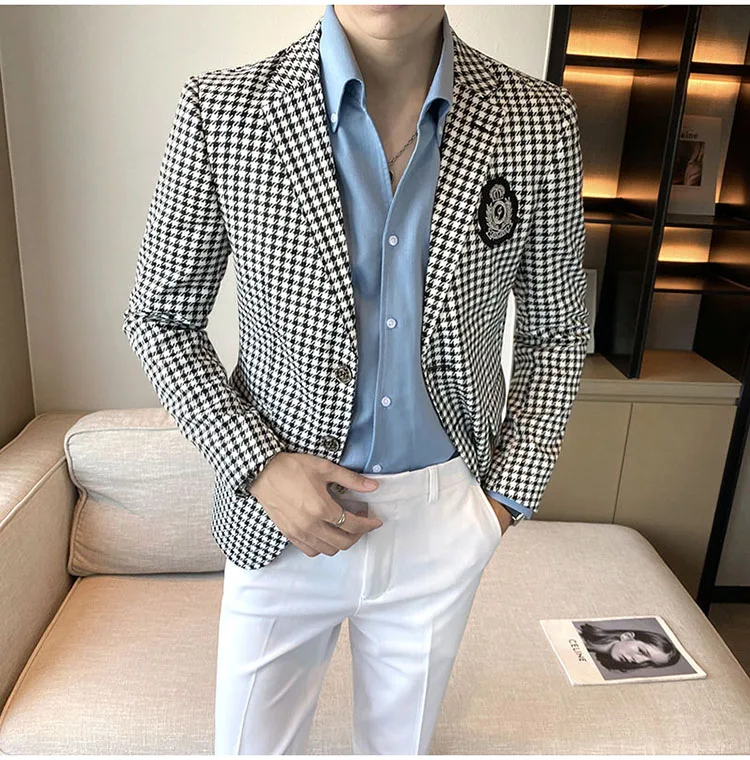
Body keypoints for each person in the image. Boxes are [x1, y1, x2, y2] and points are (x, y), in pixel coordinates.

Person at [122, 4, 589, 754]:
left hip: (444, 516)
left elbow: (556, 331)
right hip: (281, 519)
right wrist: (259, 467)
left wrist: (500, 504)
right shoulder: (223, 110)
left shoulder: (539, 119)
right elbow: (160, 317)